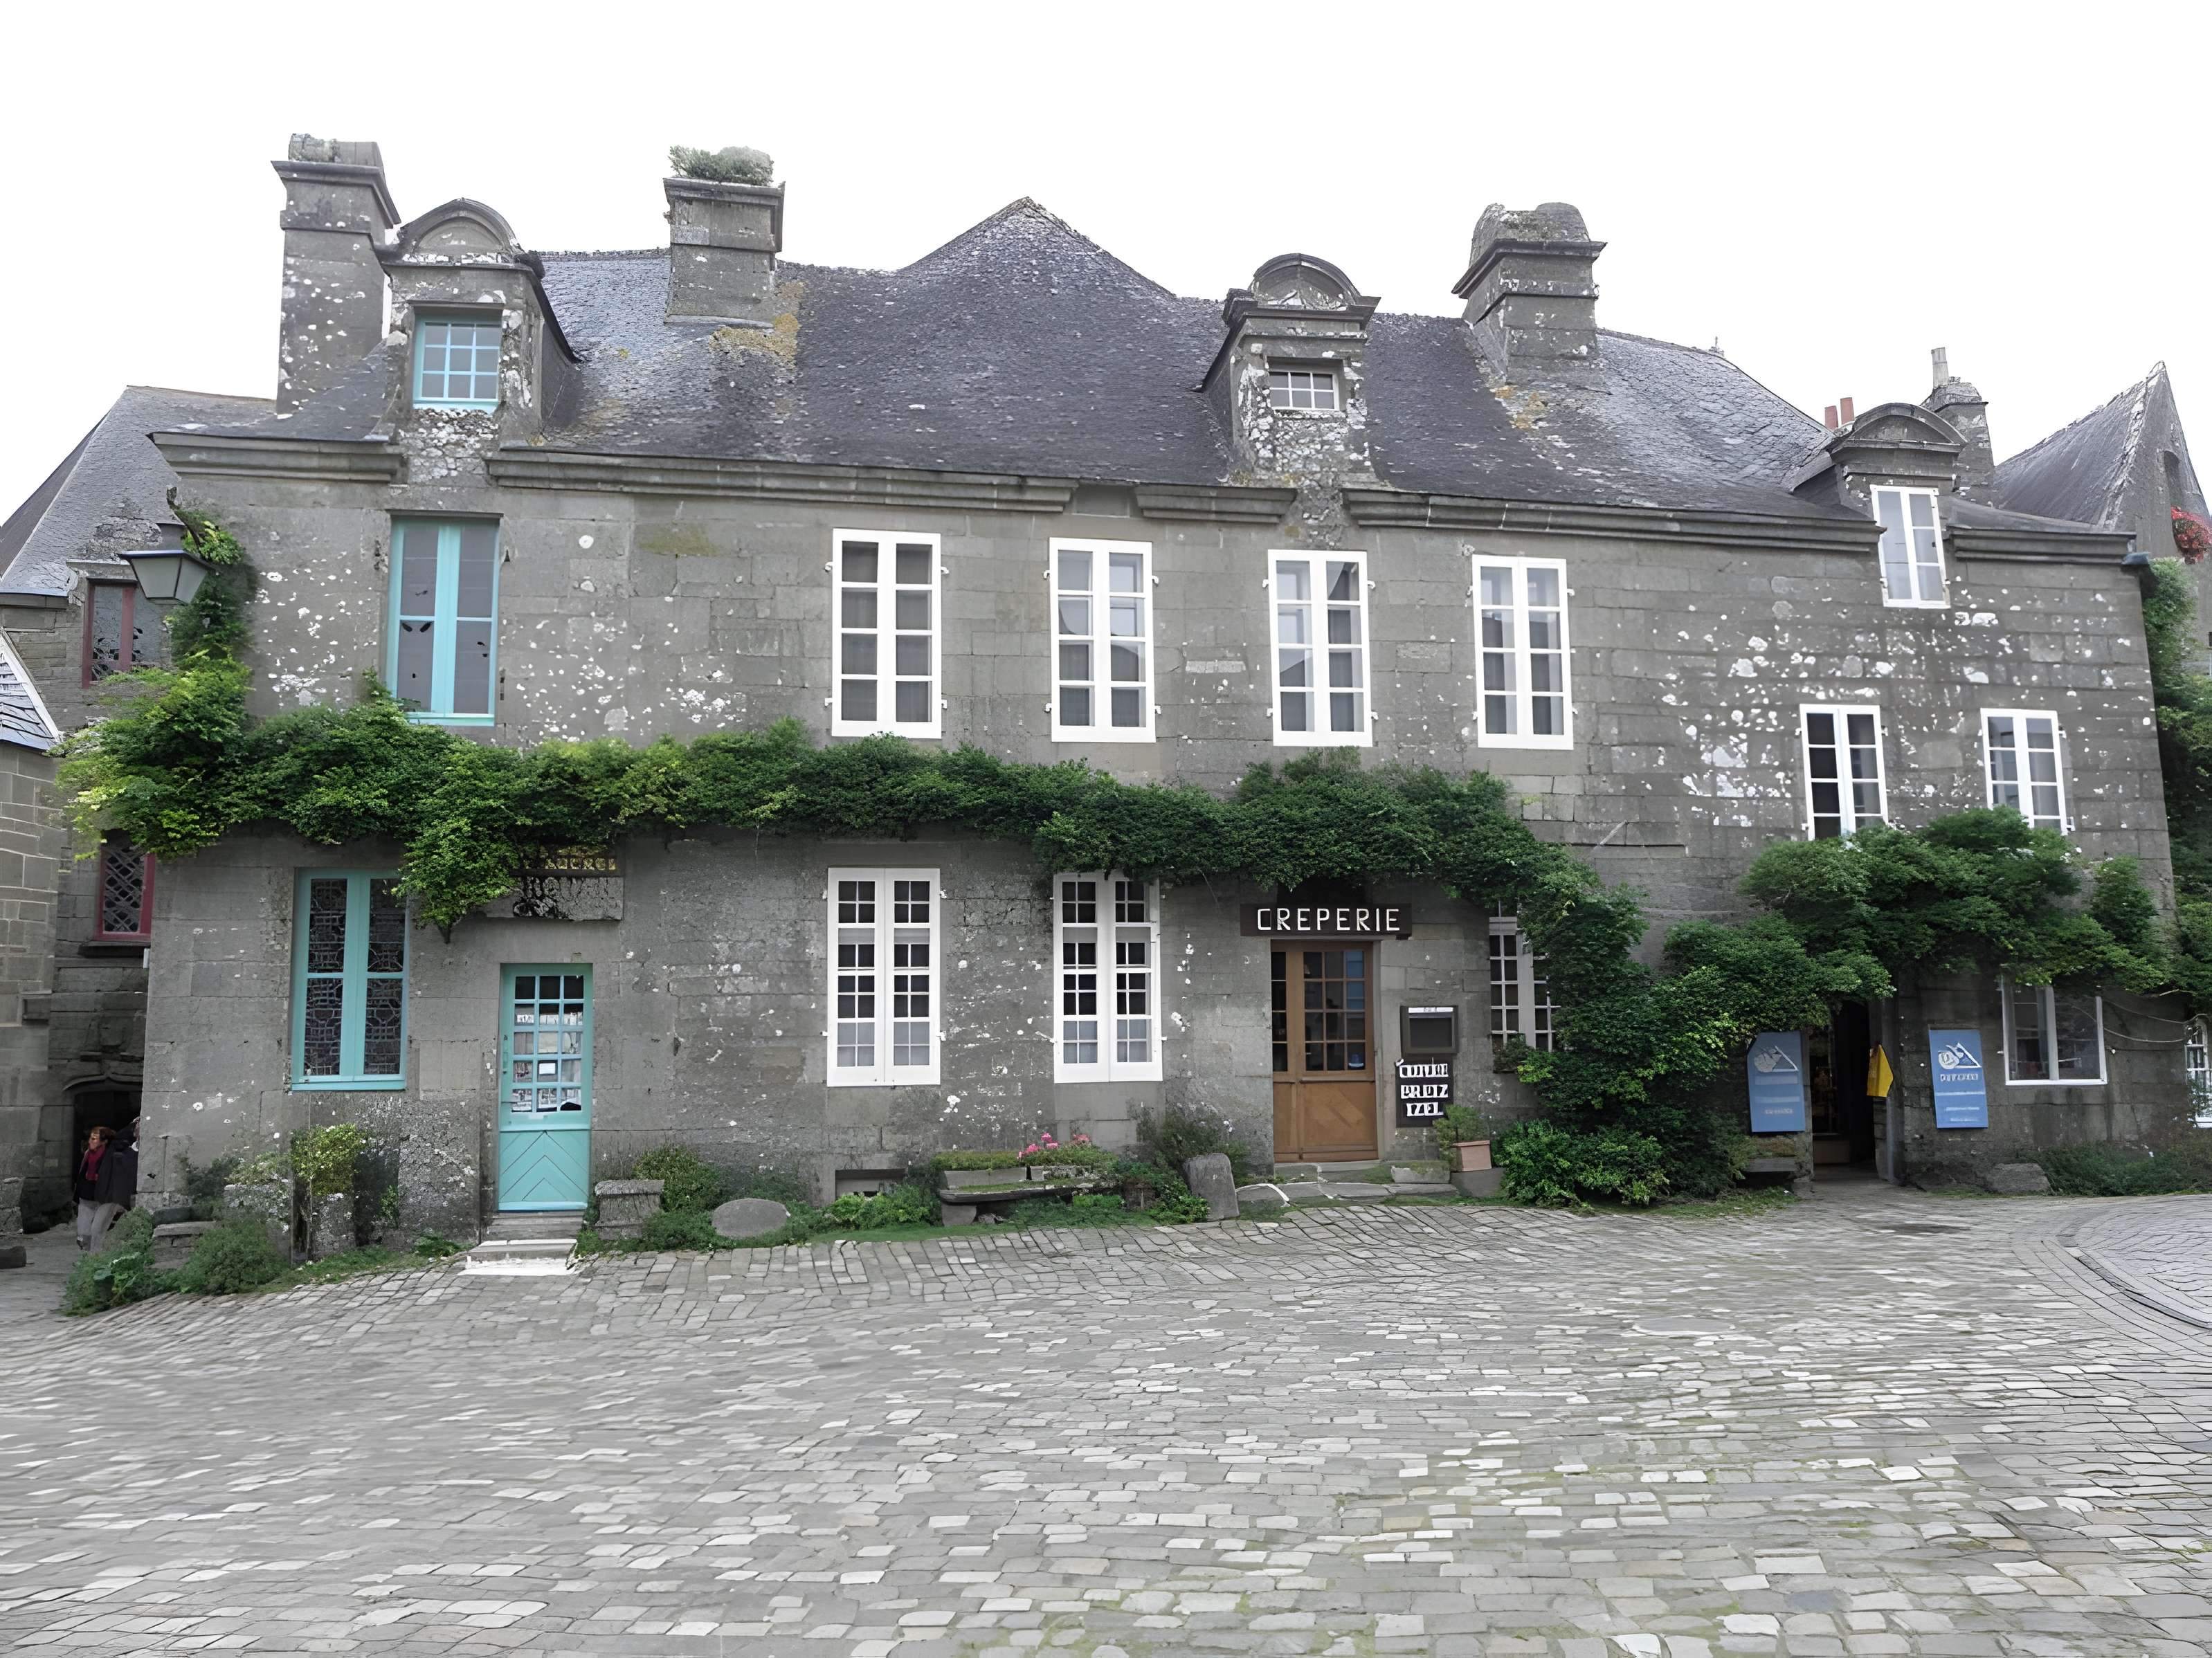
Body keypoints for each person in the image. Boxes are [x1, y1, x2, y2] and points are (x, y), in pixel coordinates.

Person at [74, 1126, 116, 1250]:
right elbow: (82, 1172)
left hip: (105, 1197)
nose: (90, 1142)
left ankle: (95, 1258)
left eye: (94, 1139)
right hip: (88, 1193)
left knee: (98, 1230)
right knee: (83, 1233)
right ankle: (87, 1254)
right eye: (90, 1139)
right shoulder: (88, 1154)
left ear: (104, 1141)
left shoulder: (111, 1156)